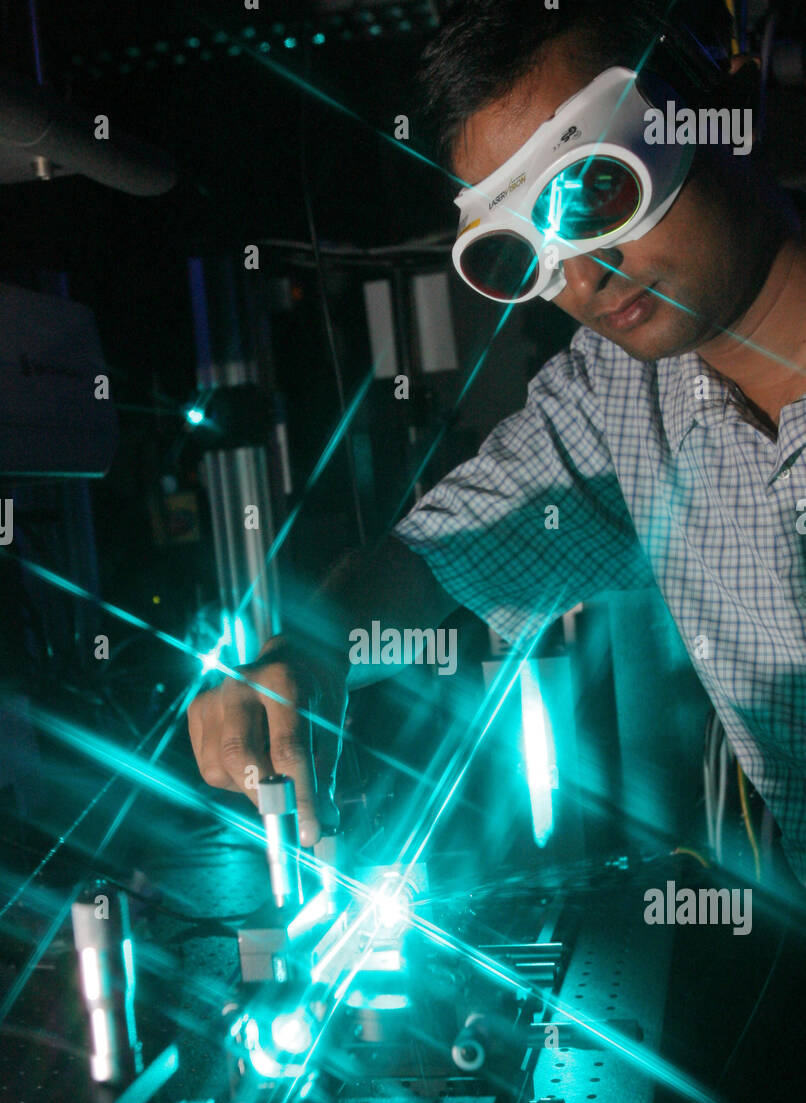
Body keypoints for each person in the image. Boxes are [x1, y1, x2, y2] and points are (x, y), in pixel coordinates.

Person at [188, 0, 806, 885]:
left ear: (730, 116)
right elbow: (438, 557)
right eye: (530, 244)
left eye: (600, 186)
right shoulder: (626, 396)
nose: (586, 274)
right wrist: (310, 654)